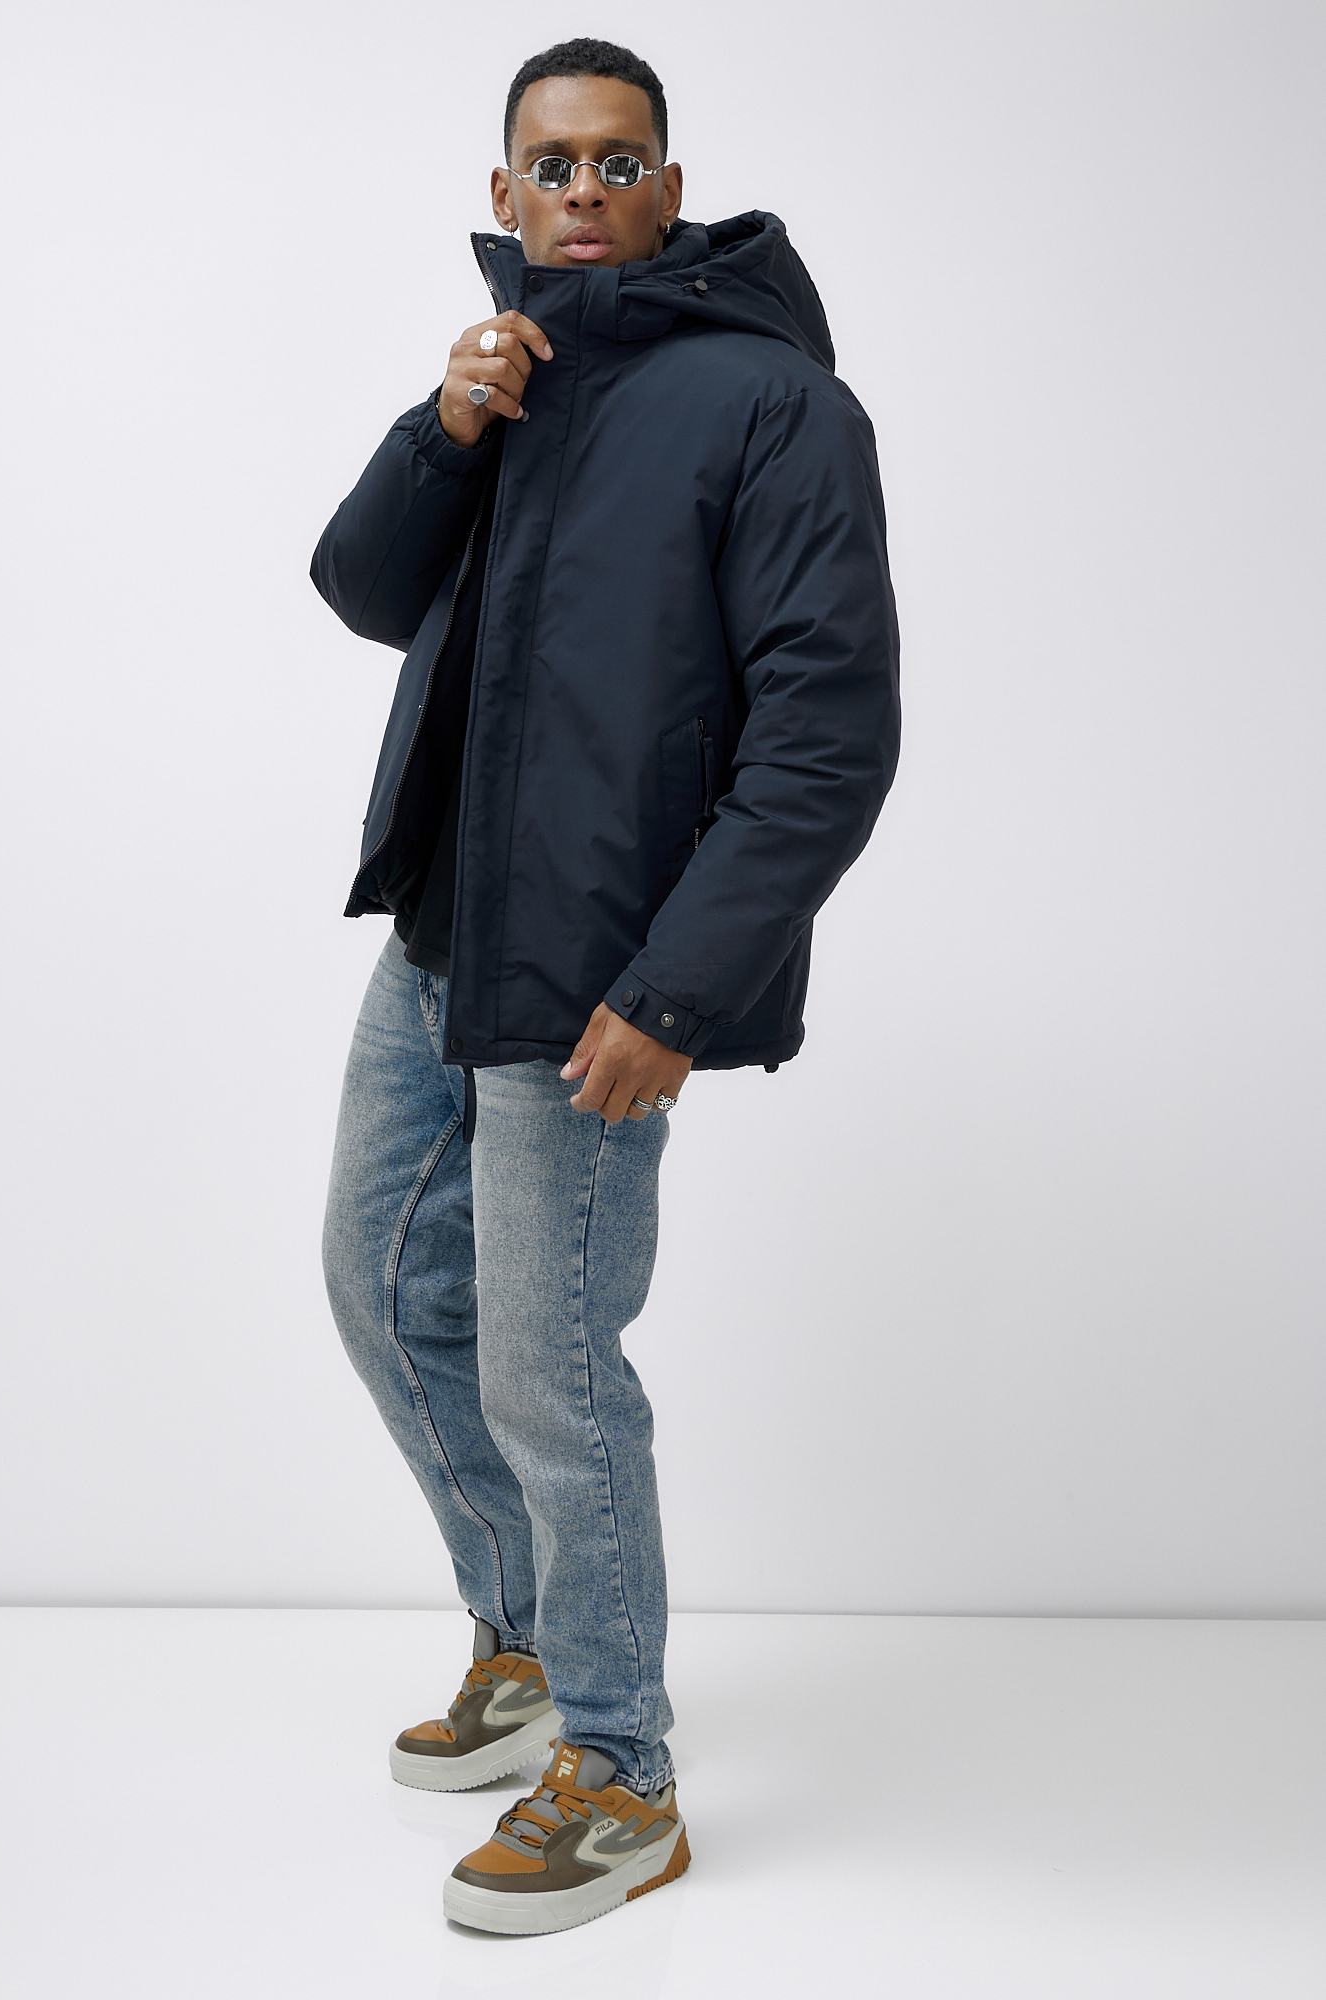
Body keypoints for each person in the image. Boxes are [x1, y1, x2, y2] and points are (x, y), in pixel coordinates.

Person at [310, 37, 899, 1936]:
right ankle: (529, 1638)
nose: (583, 190)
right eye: (550, 164)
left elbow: (829, 735)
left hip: (596, 982)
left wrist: (680, 992)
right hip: (440, 936)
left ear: (669, 187)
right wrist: (443, 427)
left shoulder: (774, 404)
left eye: (617, 161)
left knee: (552, 1375)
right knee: (380, 1292)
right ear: (504, 195)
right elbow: (360, 590)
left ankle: (623, 1775)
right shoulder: (510, 379)